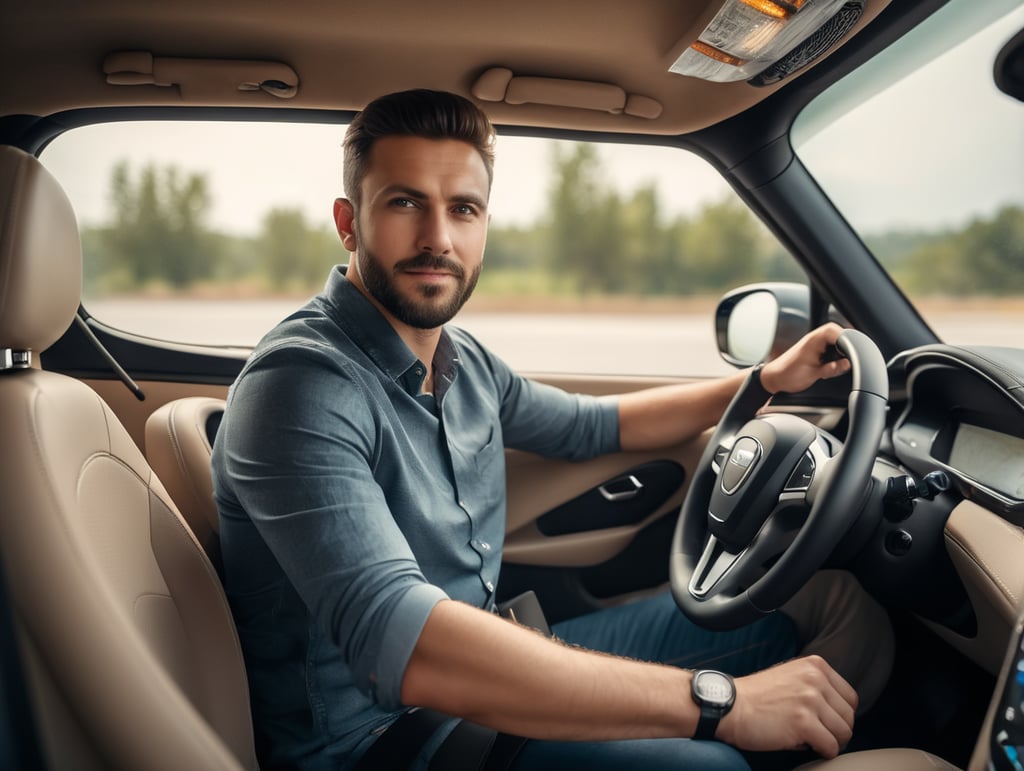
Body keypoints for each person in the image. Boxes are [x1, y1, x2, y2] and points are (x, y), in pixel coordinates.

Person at [210, 89, 893, 771]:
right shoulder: (299, 386)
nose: (438, 238)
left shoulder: (464, 362)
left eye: (463, 209)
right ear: (348, 222)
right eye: (404, 201)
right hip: (387, 741)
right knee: (716, 764)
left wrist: (764, 382)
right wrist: (727, 704)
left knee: (800, 617)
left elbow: (597, 424)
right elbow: (409, 644)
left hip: (481, 669)